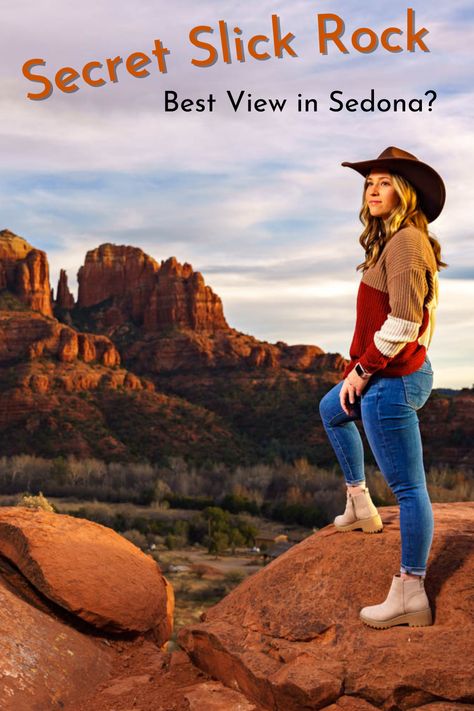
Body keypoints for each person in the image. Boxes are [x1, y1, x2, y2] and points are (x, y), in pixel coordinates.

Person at [318, 146, 447, 629]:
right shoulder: (392, 243)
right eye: (369, 182)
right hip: (389, 374)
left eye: (385, 181)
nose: (373, 189)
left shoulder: (408, 242)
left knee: (410, 490)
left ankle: (411, 590)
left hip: (391, 380)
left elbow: (407, 320)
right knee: (331, 409)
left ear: (405, 191)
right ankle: (359, 502)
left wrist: (363, 370)